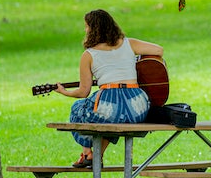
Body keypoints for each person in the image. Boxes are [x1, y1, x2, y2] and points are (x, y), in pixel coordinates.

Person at [55, 9, 163, 168]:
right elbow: (158, 50)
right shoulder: (129, 43)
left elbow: (84, 91)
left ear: (93, 29)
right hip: (138, 107)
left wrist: (65, 92)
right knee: (111, 118)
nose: (85, 30)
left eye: (87, 26)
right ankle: (95, 156)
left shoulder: (89, 55)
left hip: (110, 105)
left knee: (79, 109)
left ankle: (87, 152)